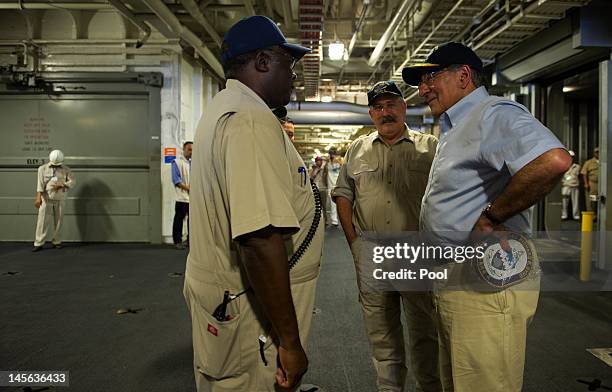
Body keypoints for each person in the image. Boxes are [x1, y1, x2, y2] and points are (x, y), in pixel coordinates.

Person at [403, 42, 571, 392]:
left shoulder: (493, 114)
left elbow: (553, 160)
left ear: (463, 75)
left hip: (483, 280)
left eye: (430, 77)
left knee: (483, 382)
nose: (422, 89)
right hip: (456, 276)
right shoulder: (455, 127)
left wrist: (491, 217)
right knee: (461, 381)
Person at [183, 15, 323, 392]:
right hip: (249, 310)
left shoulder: (224, 108)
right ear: (262, 62)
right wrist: (290, 344)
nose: (293, 76)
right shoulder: (249, 121)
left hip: (232, 298)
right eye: (287, 64)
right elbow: (259, 240)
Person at [332, 81, 441, 392]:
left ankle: (429, 387)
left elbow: (446, 197)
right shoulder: (357, 149)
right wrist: (355, 243)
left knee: (425, 331)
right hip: (372, 254)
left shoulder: (430, 147)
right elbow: (343, 195)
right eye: (378, 108)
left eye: (391, 105)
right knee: (381, 333)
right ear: (370, 114)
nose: (385, 112)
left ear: (404, 108)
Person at [32, 149, 75, 252]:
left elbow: (73, 181)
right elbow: (40, 184)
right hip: (46, 198)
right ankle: (39, 242)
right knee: (42, 221)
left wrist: (63, 184)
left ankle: (57, 241)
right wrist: (38, 197)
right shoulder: (42, 169)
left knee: (59, 221)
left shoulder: (66, 170)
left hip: (60, 199)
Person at [171, 141, 192, 249]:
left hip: (192, 198)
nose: (191, 152)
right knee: (179, 220)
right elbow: (176, 180)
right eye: (189, 149)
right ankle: (177, 241)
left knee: (192, 221)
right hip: (182, 198)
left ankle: (190, 241)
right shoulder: (177, 162)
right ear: (183, 150)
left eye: (193, 150)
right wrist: (189, 188)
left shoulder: (193, 163)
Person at [561, 150, 580, 220]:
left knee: (575, 202)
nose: (571, 158)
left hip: (574, 186)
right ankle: (564, 215)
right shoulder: (563, 165)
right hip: (565, 186)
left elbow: (578, 176)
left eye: (572, 157)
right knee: (564, 202)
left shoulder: (577, 166)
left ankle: (576, 215)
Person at [581, 147, 599, 213]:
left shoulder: (605, 162)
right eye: (597, 152)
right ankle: (591, 214)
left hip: (603, 184)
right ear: (594, 153)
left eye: (599, 152)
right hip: (593, 184)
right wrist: (586, 183)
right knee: (592, 199)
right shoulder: (589, 162)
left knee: (602, 200)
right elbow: (584, 173)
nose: (598, 154)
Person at [326, 147, 341, 226]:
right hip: (330, 186)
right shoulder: (326, 163)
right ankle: (334, 221)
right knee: (332, 204)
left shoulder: (340, 161)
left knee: (342, 203)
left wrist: (337, 160)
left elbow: (345, 166)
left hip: (339, 185)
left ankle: (342, 220)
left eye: (333, 154)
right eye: (331, 154)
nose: (332, 155)